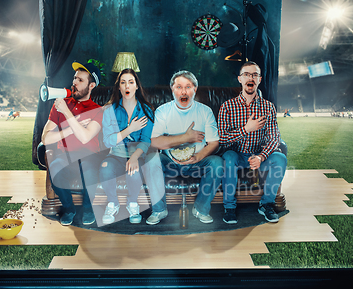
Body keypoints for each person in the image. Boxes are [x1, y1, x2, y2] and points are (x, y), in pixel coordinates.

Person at [218, 61, 287, 224]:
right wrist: (246, 129)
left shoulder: (268, 107)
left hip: (258, 154)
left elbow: (274, 137)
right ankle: (229, 207)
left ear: (259, 80)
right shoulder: (227, 107)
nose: (251, 78)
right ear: (240, 79)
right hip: (236, 155)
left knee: (280, 158)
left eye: (255, 75)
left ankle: (266, 204)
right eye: (247, 74)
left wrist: (262, 157)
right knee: (228, 157)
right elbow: (221, 138)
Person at [150, 70, 223, 224]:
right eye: (179, 87)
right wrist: (186, 137)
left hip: (197, 162)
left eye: (188, 87)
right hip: (170, 162)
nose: (183, 91)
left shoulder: (205, 111)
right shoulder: (163, 111)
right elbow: (154, 142)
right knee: (150, 159)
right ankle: (159, 210)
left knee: (217, 163)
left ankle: (201, 209)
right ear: (172, 90)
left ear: (195, 89)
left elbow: (214, 143)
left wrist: (198, 156)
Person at [41, 60, 103, 226]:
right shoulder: (61, 105)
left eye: (80, 80)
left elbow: (85, 138)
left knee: (88, 168)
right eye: (74, 78)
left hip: (89, 155)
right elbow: (45, 139)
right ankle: (69, 209)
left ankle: (89, 209)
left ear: (91, 86)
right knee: (55, 169)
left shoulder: (97, 110)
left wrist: (67, 114)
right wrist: (68, 129)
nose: (74, 82)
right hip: (66, 156)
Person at [99, 68, 156, 224]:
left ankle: (132, 203)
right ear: (119, 87)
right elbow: (108, 141)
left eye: (131, 82)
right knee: (105, 168)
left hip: (137, 154)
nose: (127, 86)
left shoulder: (146, 110)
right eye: (123, 83)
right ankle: (113, 203)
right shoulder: (110, 110)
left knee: (134, 171)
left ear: (137, 86)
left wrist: (134, 157)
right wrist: (130, 129)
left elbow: (145, 141)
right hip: (115, 154)